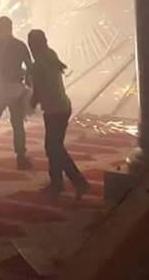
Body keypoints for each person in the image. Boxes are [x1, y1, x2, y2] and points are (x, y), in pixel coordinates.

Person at [27, 29, 90, 200]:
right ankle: (57, 183)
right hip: (62, 107)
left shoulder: (38, 65)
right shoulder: (50, 55)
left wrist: (29, 105)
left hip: (54, 110)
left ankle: (78, 182)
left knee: (54, 148)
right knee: (54, 147)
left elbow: (37, 92)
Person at [0, 16, 34, 169]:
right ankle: (21, 157)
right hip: (15, 88)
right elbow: (30, 68)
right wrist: (26, 81)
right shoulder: (20, 45)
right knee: (17, 124)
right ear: (11, 28)